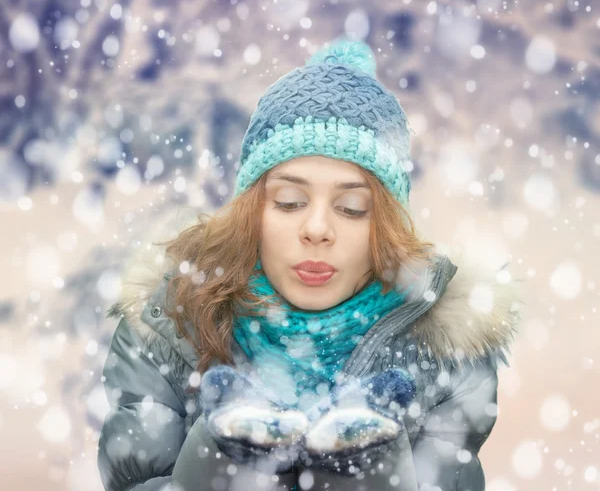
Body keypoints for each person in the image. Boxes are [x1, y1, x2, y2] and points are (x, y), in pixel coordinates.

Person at [97, 38, 525, 491]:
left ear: (386, 224)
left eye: (353, 207)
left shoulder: (444, 352)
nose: (317, 228)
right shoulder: (172, 323)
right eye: (289, 201)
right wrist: (219, 457)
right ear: (252, 212)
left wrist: (372, 468)